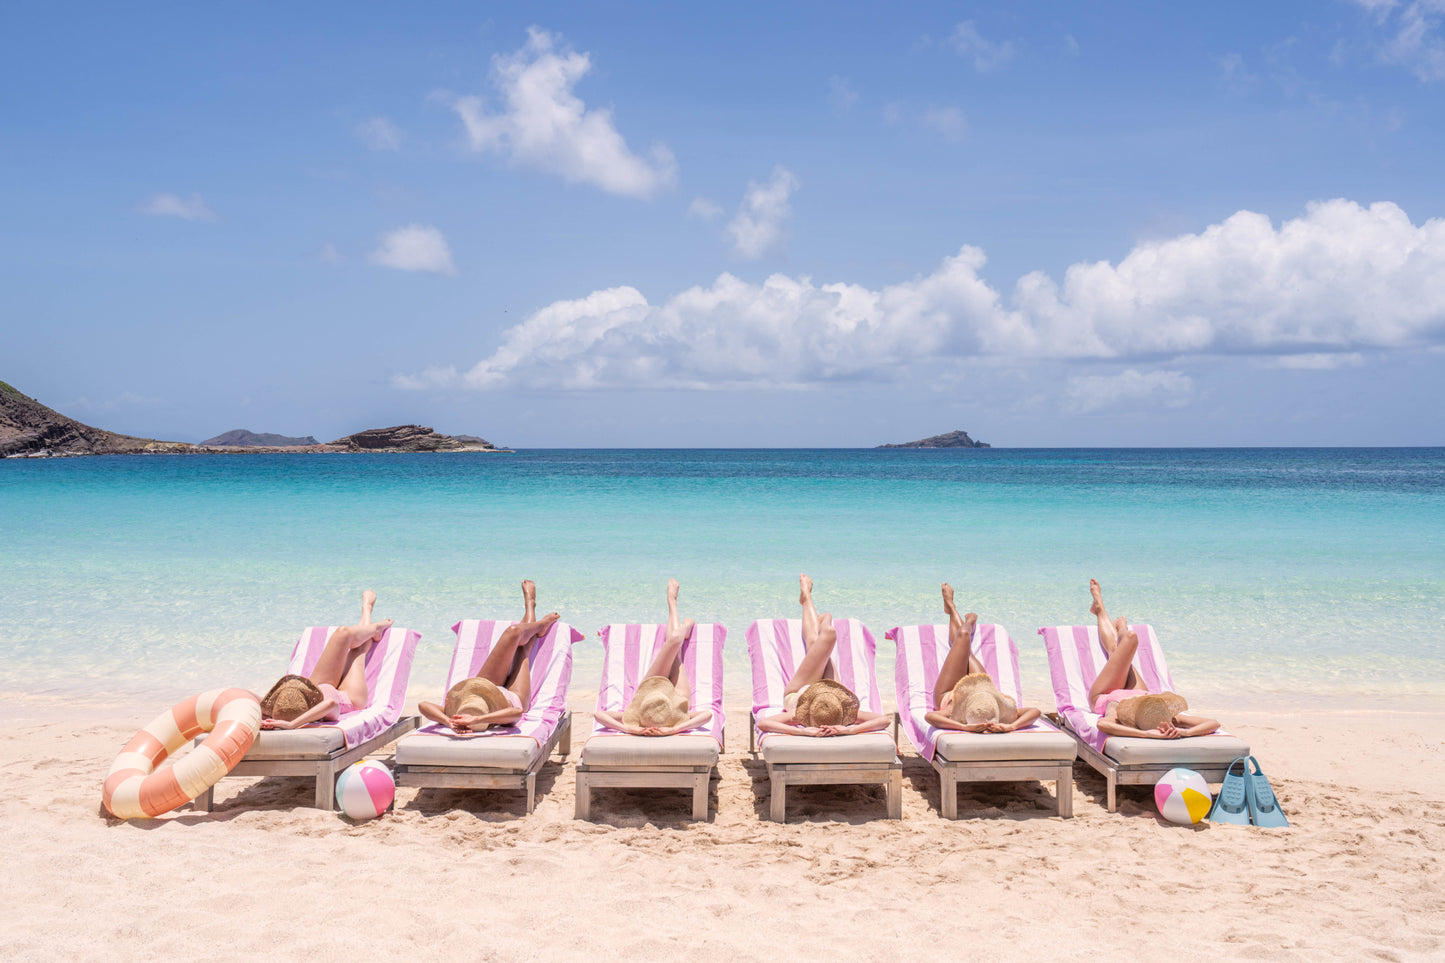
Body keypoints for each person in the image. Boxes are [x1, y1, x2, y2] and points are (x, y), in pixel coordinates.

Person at [755, 575, 891, 738]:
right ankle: (815, 609)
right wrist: (849, 729)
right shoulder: (844, 712)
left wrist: (802, 730)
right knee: (820, 639)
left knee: (820, 639)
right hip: (830, 692)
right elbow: (884, 720)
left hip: (799, 691)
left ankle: (813, 605)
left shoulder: (798, 715)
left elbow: (763, 723)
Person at [418, 580, 559, 734]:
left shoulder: (457, 715)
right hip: (513, 697)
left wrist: (448, 721)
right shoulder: (495, 718)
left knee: (512, 632)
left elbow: (423, 705)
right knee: (523, 651)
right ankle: (535, 612)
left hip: (483, 689)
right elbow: (517, 712)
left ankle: (535, 619)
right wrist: (478, 719)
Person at [1087, 579, 1220, 739]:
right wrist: (1186, 732)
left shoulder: (1120, 712)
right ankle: (1114, 622)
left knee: (1122, 645)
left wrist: (1148, 734)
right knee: (1122, 646)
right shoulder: (1164, 715)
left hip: (1106, 693)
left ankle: (1101, 610)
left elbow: (1103, 724)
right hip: (1140, 692)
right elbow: (1213, 723)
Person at [593, 579, 714, 737]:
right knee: (675, 648)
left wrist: (629, 728)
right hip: (678, 698)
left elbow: (599, 715)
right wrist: (673, 729)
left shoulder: (640, 717)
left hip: (650, 692)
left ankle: (676, 609)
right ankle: (684, 623)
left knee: (674, 642)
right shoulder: (673, 717)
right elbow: (707, 715)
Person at [260, 589, 392, 730]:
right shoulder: (325, 709)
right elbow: (331, 703)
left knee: (343, 633)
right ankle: (367, 610)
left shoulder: (292, 702)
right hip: (351, 698)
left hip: (315, 690)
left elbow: (238, 693)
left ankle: (372, 626)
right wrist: (292, 724)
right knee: (358, 651)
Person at [923, 583, 1042, 734]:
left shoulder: (954, 713)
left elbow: (930, 716)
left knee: (963, 637)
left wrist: (963, 727)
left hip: (948, 692)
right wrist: (1011, 726)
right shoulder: (998, 712)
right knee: (966, 650)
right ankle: (963, 619)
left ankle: (953, 609)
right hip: (982, 690)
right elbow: (1035, 711)